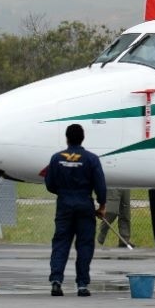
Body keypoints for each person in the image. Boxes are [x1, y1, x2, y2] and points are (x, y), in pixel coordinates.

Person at [43, 123, 107, 297]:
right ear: (82, 138)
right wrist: (101, 205)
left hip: (64, 205)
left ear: (67, 138)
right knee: (85, 244)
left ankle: (56, 281)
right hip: (85, 205)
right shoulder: (92, 159)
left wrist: (64, 193)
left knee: (61, 242)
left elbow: (49, 184)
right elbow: (100, 185)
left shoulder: (56, 159)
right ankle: (82, 285)